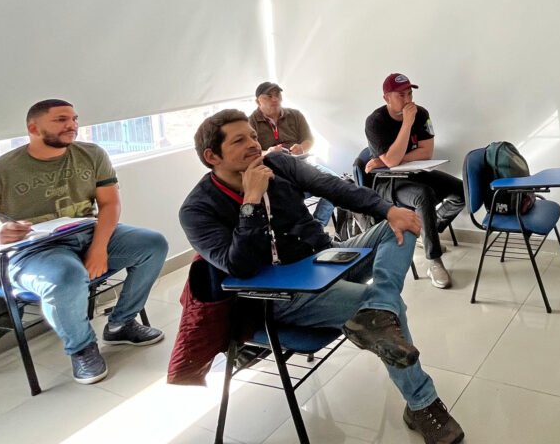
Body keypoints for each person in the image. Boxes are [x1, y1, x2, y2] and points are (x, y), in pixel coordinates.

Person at [180, 109, 464, 444]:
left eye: (253, 136)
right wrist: (252, 200)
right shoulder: (196, 210)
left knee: (399, 226)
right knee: (382, 307)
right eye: (240, 140)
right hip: (277, 293)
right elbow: (240, 266)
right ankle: (422, 404)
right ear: (211, 156)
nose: (254, 144)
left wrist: (388, 210)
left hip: (320, 260)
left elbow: (330, 186)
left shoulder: (279, 164)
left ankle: (380, 312)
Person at [0, 99, 168, 385]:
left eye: (74, 119)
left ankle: (121, 324)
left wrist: (99, 248)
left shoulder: (92, 153)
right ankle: (82, 348)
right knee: (67, 275)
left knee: (152, 244)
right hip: (34, 251)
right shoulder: (0, 169)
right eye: (61, 120)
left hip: (87, 234)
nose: (72, 125)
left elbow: (109, 204)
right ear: (33, 128)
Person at [365, 73, 465, 290]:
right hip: (387, 182)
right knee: (424, 196)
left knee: (461, 190)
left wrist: (387, 160)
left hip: (417, 173)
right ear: (387, 98)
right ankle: (434, 260)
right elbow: (391, 162)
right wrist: (407, 124)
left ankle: (430, 231)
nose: (408, 99)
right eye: (401, 95)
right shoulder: (375, 122)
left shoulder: (422, 114)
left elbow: (426, 153)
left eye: (410, 93)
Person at [250, 82, 333, 228]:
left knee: (335, 181)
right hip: (273, 170)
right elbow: (251, 152)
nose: (275, 99)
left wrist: (301, 147)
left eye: (277, 95)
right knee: (285, 196)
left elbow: (309, 139)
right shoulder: (250, 122)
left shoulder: (295, 115)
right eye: (269, 96)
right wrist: (268, 152)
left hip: (300, 164)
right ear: (258, 101)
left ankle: (317, 225)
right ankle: (298, 230)